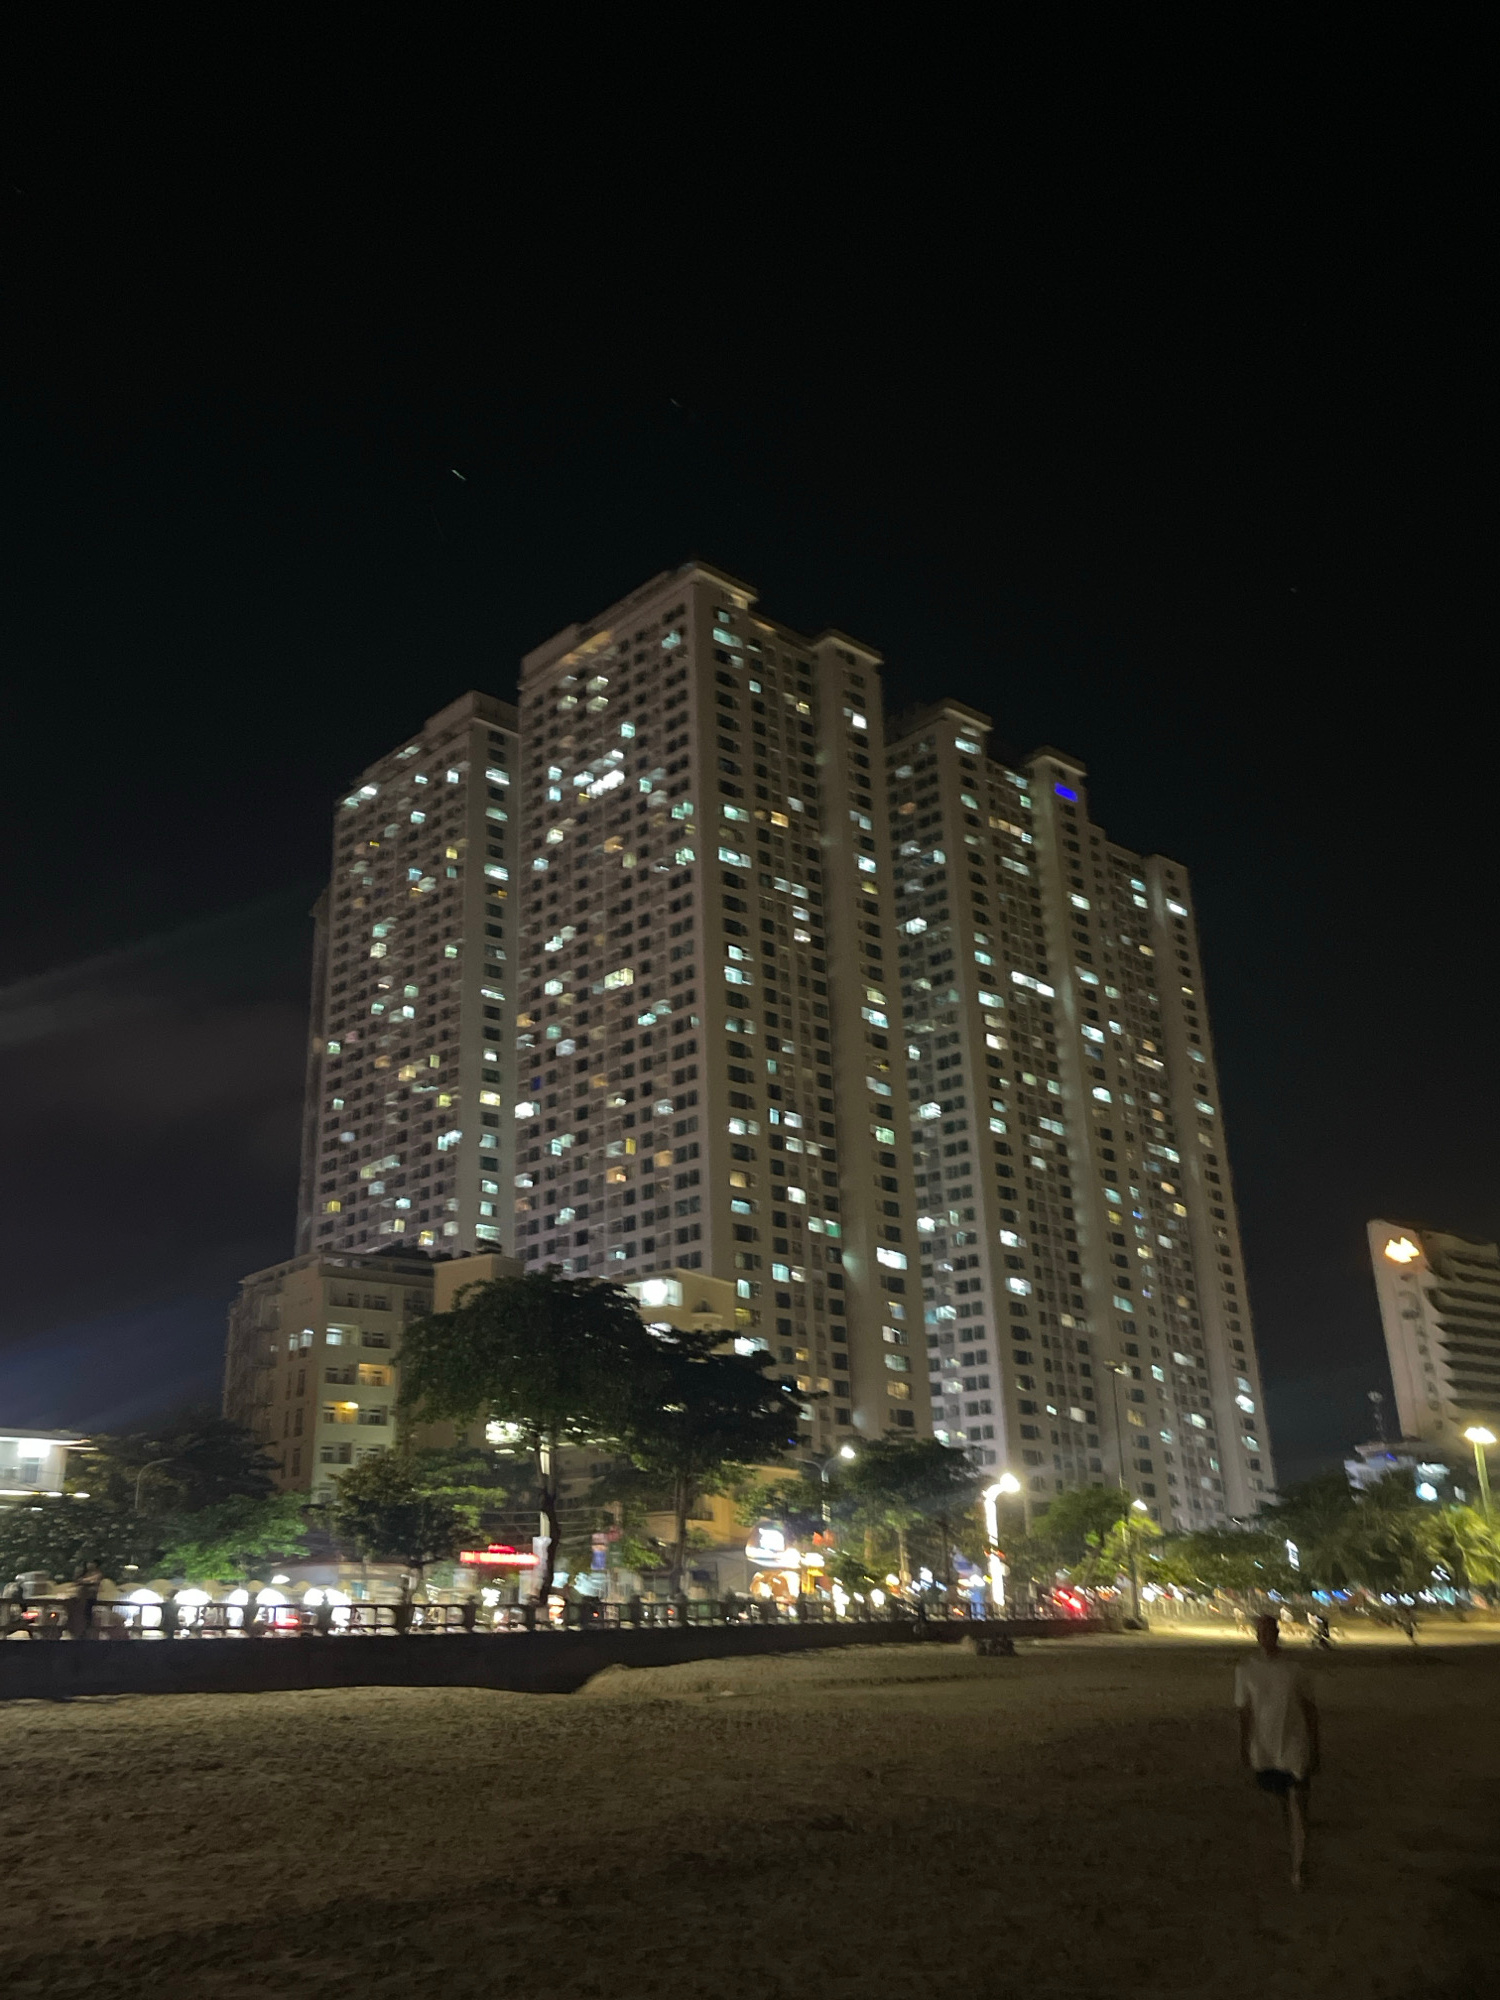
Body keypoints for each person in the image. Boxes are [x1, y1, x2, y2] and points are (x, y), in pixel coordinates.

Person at [1236, 1612, 1320, 1889]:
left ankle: (1300, 1865)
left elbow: (1310, 1710)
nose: (1266, 1636)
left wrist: (1315, 1746)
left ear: (1277, 1633)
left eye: (1270, 1631)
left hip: (1294, 1745)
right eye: (1261, 1631)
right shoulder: (1246, 1670)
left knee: (1299, 1805)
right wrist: (1244, 1746)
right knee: (1282, 1804)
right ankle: (1293, 1852)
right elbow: (1244, 1712)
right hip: (1266, 1748)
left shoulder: (1294, 1670)